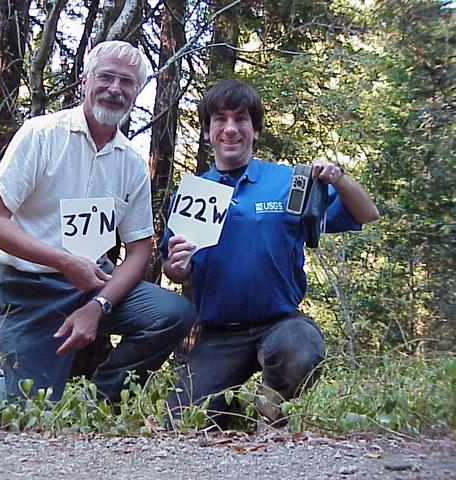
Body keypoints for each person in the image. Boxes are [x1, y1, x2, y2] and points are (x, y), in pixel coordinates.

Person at [0, 41, 193, 403]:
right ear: (84, 82)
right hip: (27, 289)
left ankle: (98, 401)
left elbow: (140, 250)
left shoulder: (131, 163)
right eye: (105, 77)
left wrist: (98, 307)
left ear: (136, 93)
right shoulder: (41, 135)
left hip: (94, 286)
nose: (114, 89)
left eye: (126, 82)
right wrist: (62, 260)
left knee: (172, 313)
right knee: (34, 412)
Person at [160, 79, 379, 428]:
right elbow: (174, 270)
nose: (230, 128)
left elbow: (366, 214)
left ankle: (270, 409)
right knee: (179, 423)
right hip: (219, 334)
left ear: (255, 130)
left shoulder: (288, 182)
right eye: (220, 119)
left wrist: (338, 178)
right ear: (207, 131)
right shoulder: (192, 195)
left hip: (279, 324)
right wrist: (178, 264)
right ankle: (230, 413)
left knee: (300, 349)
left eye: (241, 119)